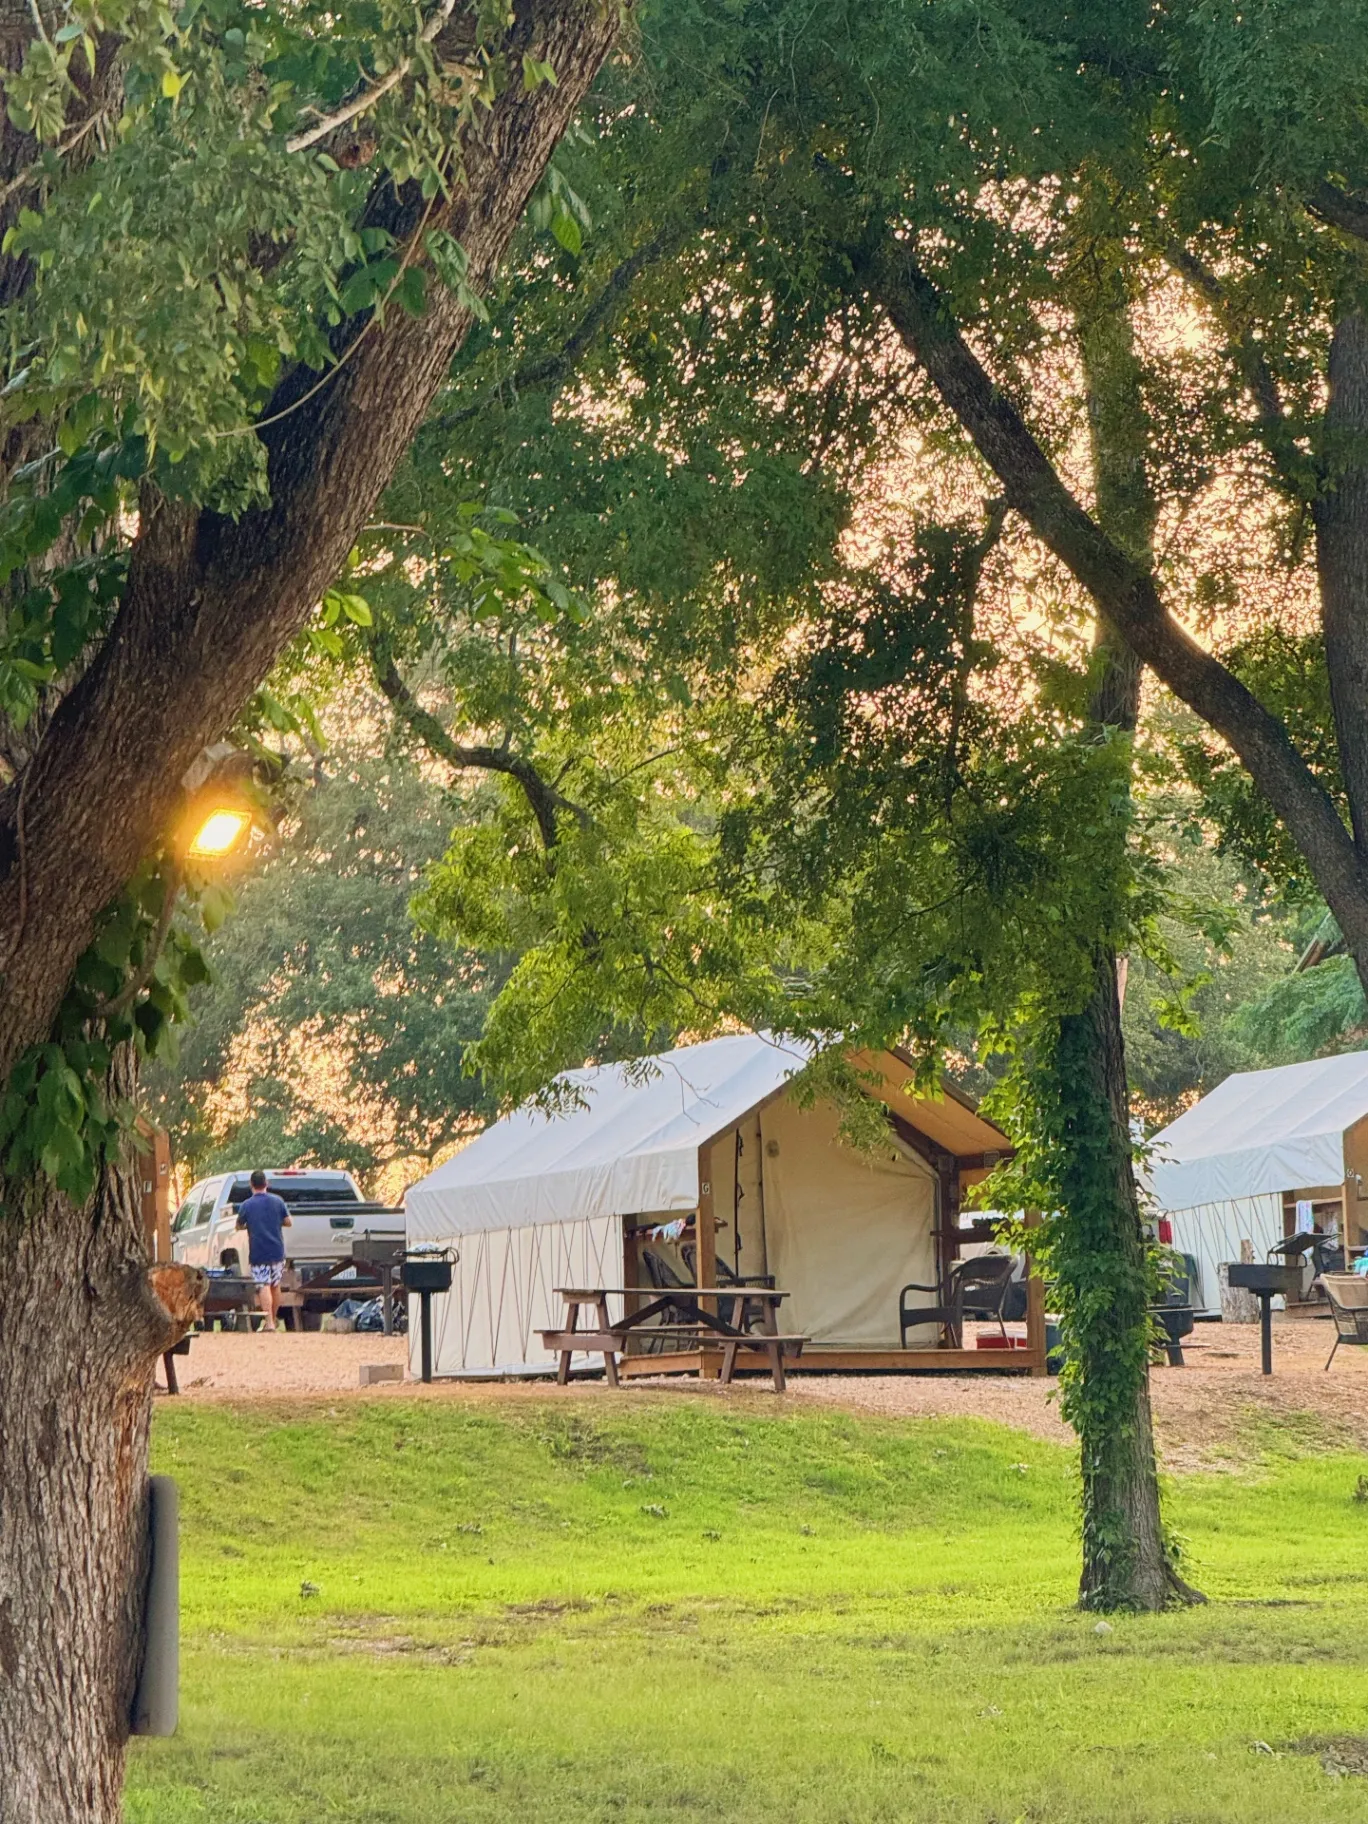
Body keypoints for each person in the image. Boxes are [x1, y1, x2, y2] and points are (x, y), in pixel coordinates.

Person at [234, 1171, 292, 1331]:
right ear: (266, 1183)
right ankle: (272, 1319)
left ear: (251, 1185)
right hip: (277, 1250)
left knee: (263, 1285)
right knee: (275, 1284)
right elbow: (288, 1222)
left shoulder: (247, 1205)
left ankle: (269, 1323)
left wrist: (249, 1226)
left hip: (259, 1251)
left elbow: (238, 1225)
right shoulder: (278, 1201)